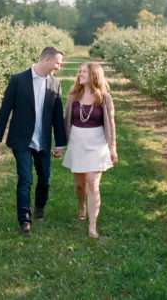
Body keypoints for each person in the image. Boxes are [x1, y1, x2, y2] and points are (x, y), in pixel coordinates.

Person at [0, 46, 67, 235]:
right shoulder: (18, 80)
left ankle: (39, 207)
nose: (59, 66)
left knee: (45, 179)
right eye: (58, 62)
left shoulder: (55, 83)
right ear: (47, 59)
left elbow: (57, 116)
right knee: (25, 179)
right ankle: (24, 220)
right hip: (21, 140)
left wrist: (59, 143)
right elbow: (5, 110)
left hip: (42, 141)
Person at [62, 62, 118, 238]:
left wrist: (113, 147)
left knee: (92, 183)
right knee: (80, 185)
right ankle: (82, 205)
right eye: (79, 71)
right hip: (77, 142)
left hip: (97, 143)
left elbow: (111, 124)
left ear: (94, 75)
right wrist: (60, 144)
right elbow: (66, 121)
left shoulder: (105, 98)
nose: (80, 74)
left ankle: (92, 225)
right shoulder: (73, 96)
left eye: (84, 71)